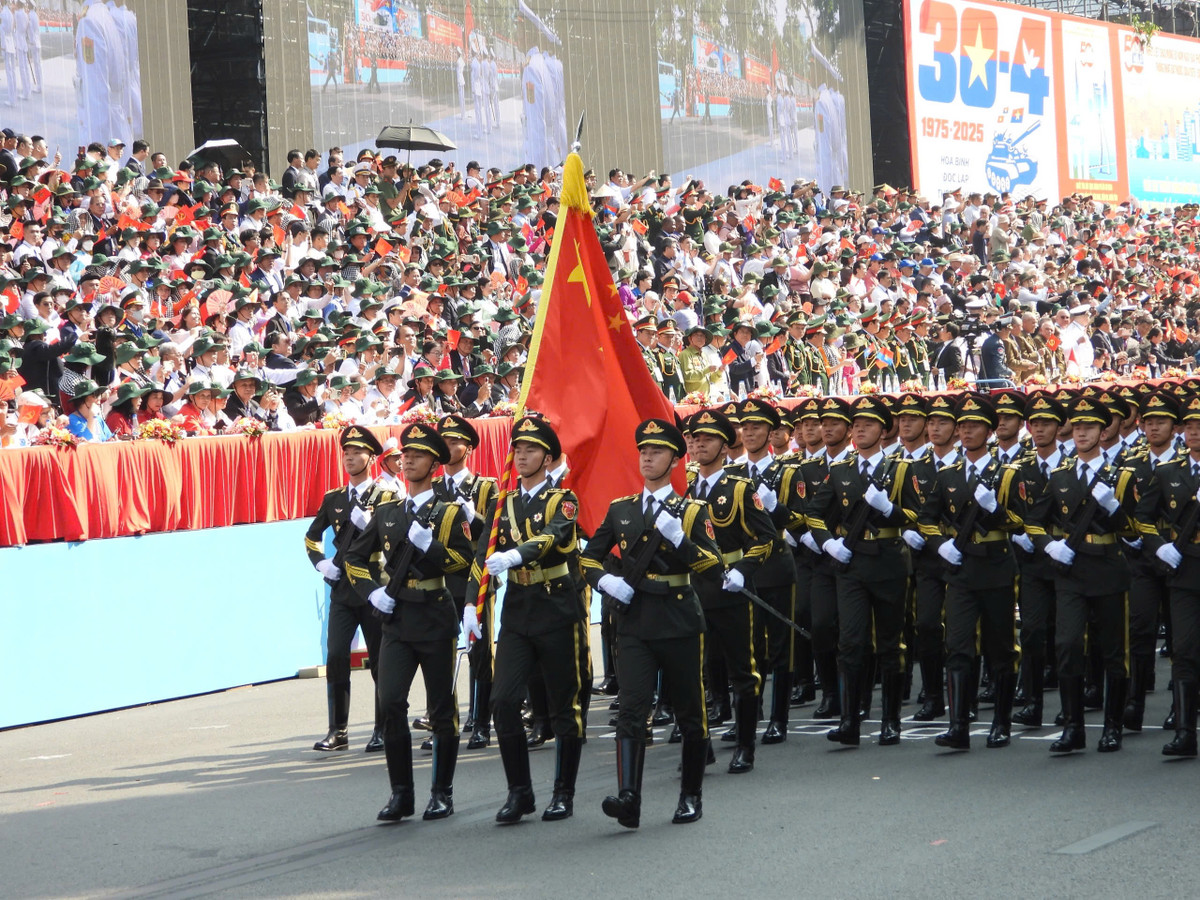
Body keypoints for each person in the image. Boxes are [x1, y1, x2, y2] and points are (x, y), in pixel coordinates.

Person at [581, 418, 723, 828]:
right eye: (643, 450)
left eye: (657, 451)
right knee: (631, 708)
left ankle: (690, 795)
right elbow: (589, 556)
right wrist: (607, 581)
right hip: (636, 619)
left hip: (678, 617)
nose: (647, 457)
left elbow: (713, 568)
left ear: (675, 460)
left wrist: (681, 540)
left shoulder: (692, 510)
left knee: (690, 711)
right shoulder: (621, 508)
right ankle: (629, 798)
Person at [343, 423, 473, 822]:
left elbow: (463, 562)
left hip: (434, 615)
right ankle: (401, 793)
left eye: (417, 455)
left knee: (441, 709)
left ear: (435, 462)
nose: (409, 460)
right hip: (397, 618)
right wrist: (372, 593)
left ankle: (442, 792)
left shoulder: (449, 513)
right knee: (391, 702)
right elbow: (353, 559)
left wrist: (429, 546)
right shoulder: (386, 513)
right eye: (405, 455)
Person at [466, 416, 587, 823]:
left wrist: (517, 555)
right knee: (502, 700)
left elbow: (556, 534)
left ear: (547, 457)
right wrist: (471, 604)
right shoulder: (502, 502)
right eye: (518, 450)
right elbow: (482, 556)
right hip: (518, 609)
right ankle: (520, 791)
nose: (522, 456)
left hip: (555, 605)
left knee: (563, 704)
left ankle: (563, 792)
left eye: (531, 450)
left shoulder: (563, 498)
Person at [805, 394, 922, 747]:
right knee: (851, 641)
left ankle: (890, 720)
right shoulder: (840, 470)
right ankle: (849, 720)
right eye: (856, 425)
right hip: (851, 562)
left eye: (868, 424)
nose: (860, 429)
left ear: (883, 429)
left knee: (889, 642)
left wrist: (890, 510)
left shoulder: (900, 469)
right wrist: (828, 543)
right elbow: (814, 512)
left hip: (888, 559)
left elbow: (918, 517)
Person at [1024, 396, 1139, 754]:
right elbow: (1034, 521)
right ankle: (1073, 726)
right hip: (1070, 570)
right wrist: (1048, 545)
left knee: (1111, 651)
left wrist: (1115, 507)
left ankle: (1112, 726)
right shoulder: (1059, 476)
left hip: (1107, 567)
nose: (1083, 434)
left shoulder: (1120, 475)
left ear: (1103, 431)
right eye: (1077, 428)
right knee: (1068, 644)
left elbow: (1136, 532)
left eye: (1090, 427)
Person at [916, 393, 1022, 749]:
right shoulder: (947, 473)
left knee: (1000, 647)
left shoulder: (1005, 472)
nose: (966, 431)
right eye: (962, 426)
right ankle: (958, 724)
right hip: (960, 569)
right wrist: (939, 545)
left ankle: (1001, 722)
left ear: (990, 431)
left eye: (974, 425)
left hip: (994, 566)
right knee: (958, 645)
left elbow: (1022, 522)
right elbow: (927, 518)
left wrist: (995, 512)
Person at [683, 409, 774, 773]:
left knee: (742, 670)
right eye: (695, 439)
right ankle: (700, 746)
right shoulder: (685, 487)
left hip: (732, 588)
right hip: (694, 590)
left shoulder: (738, 488)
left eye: (707, 439)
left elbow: (766, 537)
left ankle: (745, 746)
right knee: (697, 671)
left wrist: (742, 570)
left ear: (724, 446)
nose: (699, 444)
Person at [303, 425, 396, 754]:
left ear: (371, 457)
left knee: (380, 660)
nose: (350, 458)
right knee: (338, 655)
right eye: (346, 453)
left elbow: (396, 539)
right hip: (342, 590)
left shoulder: (387, 496)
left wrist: (372, 522)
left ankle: (383, 728)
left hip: (373, 585)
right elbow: (311, 537)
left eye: (357, 452)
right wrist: (321, 563)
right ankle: (337, 730)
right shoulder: (334, 498)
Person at [725, 398, 805, 744]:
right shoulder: (732, 475)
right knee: (746, 646)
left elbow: (801, 521)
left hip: (775, 563)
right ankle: (748, 714)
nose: (751, 432)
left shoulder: (788, 471)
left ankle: (779, 718)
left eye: (758, 427)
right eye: (746, 427)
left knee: (779, 646)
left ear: (772, 432)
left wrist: (777, 507)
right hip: (744, 568)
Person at [1134, 393, 1200, 756]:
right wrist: (1159, 545)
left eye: (1198, 427)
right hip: (1185, 569)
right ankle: (1186, 731)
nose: (1193, 433)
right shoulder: (1168, 471)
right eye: (1189, 427)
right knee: (1185, 649)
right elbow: (1143, 516)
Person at [432, 414, 498, 751]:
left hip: (474, 579)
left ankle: (481, 720)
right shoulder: (432, 488)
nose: (447, 446)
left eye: (454, 441)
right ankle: (445, 722)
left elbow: (496, 535)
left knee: (479, 652)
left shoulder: (485, 487)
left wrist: (476, 516)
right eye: (443, 440)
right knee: (439, 654)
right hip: (440, 580)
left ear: (468, 447)